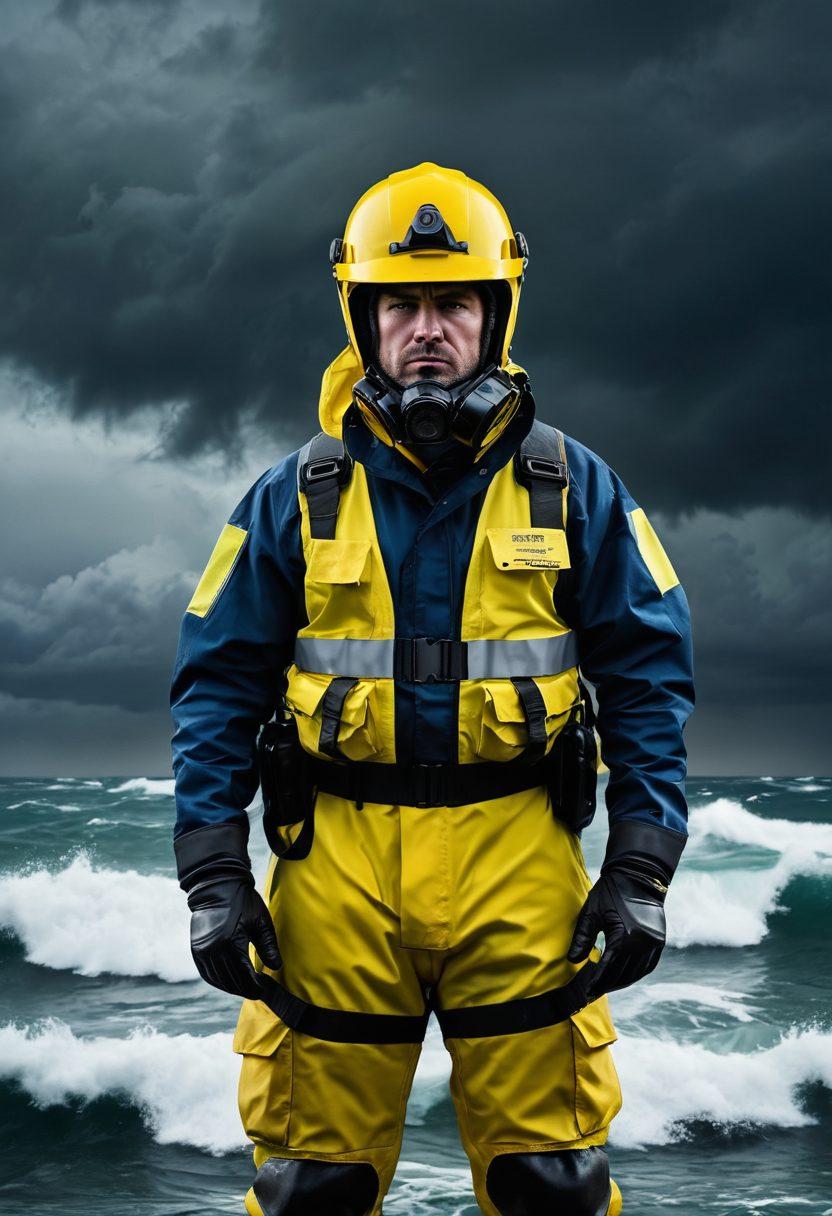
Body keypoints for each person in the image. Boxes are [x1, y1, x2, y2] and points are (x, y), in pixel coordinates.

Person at [170, 162, 694, 1216]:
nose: (425, 330)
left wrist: (642, 864)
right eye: (398, 304)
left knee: (550, 1182)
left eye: (453, 302)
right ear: (361, 320)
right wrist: (213, 873)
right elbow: (215, 685)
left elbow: (648, 677)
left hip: (519, 857)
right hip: (334, 864)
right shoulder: (291, 496)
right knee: (312, 1184)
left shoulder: (576, 487)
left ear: (496, 316)